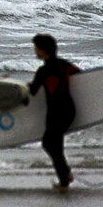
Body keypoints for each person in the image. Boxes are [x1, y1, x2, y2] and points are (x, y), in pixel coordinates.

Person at [29, 33, 81, 191]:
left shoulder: (43, 71)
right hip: (68, 110)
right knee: (55, 145)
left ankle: (65, 176)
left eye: (36, 48)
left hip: (56, 112)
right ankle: (64, 179)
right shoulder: (65, 65)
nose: (35, 51)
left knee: (49, 143)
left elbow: (32, 91)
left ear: (43, 50)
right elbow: (82, 76)